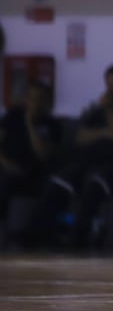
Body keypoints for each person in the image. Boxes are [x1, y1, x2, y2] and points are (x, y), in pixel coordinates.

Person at [26, 64, 113, 249]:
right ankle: (36, 237)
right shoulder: (96, 111)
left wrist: (109, 111)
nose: (110, 89)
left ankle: (77, 240)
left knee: (94, 184)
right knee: (59, 182)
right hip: (88, 164)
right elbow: (80, 137)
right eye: (108, 83)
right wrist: (105, 132)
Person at [0, 80, 62, 236]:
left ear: (47, 102)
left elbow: (42, 154)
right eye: (31, 97)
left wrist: (29, 123)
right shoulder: (12, 116)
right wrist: (4, 161)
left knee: (7, 181)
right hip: (6, 165)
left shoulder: (51, 124)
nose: (34, 102)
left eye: (39, 98)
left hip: (32, 170)